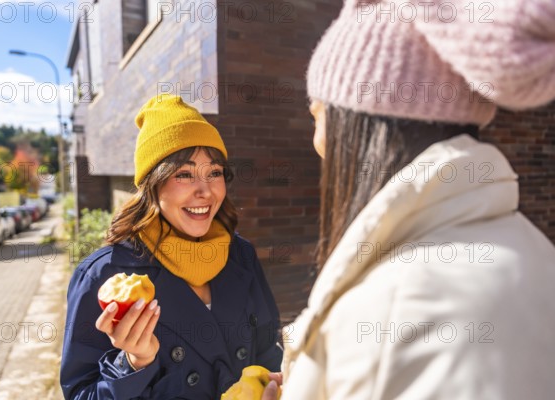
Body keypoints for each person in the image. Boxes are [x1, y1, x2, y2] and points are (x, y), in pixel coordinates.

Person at [264, 0, 555, 399]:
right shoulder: (533, 247)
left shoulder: (394, 312)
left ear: (362, 128)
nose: (317, 144)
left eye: (319, 114)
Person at [60, 94, 283, 399]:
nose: (205, 191)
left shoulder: (240, 254)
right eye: (184, 174)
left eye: (214, 172)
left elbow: (269, 349)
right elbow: (79, 393)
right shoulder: (105, 275)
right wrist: (133, 363)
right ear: (153, 184)